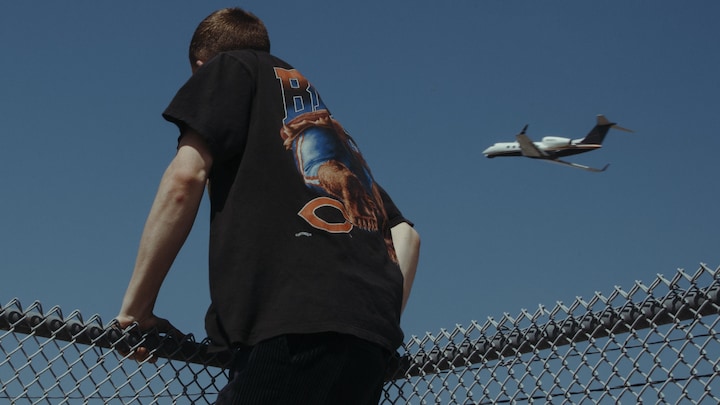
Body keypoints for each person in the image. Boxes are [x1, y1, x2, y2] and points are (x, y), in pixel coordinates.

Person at [115, 7, 420, 404]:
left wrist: (136, 310)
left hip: (294, 325)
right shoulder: (331, 131)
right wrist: (374, 324)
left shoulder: (226, 68)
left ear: (201, 67)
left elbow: (184, 179)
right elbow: (406, 236)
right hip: (368, 342)